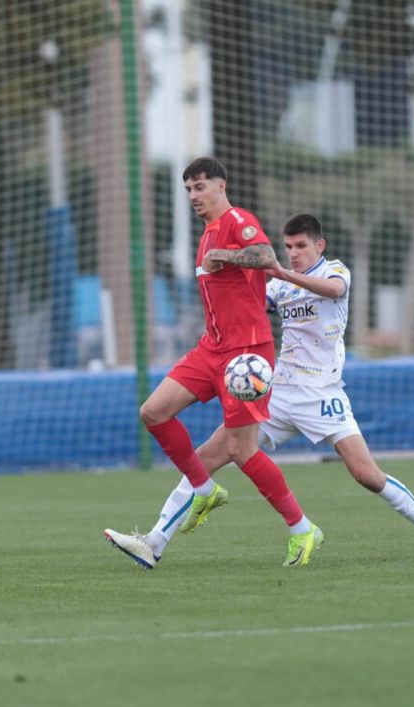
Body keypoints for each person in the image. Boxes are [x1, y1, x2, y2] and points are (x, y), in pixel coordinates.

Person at [145, 214, 414, 561]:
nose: (294, 253)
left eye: (301, 246)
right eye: (287, 247)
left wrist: (282, 272)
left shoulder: (334, 271)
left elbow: (334, 291)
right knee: (207, 457)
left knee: (367, 474)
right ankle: (154, 541)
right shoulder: (277, 287)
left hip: (323, 394)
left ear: (319, 245)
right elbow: (248, 309)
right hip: (280, 391)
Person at [103, 157, 322, 569]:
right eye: (188, 189)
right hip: (212, 349)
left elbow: (264, 255)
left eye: (201, 186)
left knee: (241, 449)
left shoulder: (237, 221)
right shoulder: (205, 235)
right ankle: (203, 491)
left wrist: (226, 254)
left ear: (221, 186)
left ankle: (302, 528)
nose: (194, 196)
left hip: (248, 355)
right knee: (153, 412)